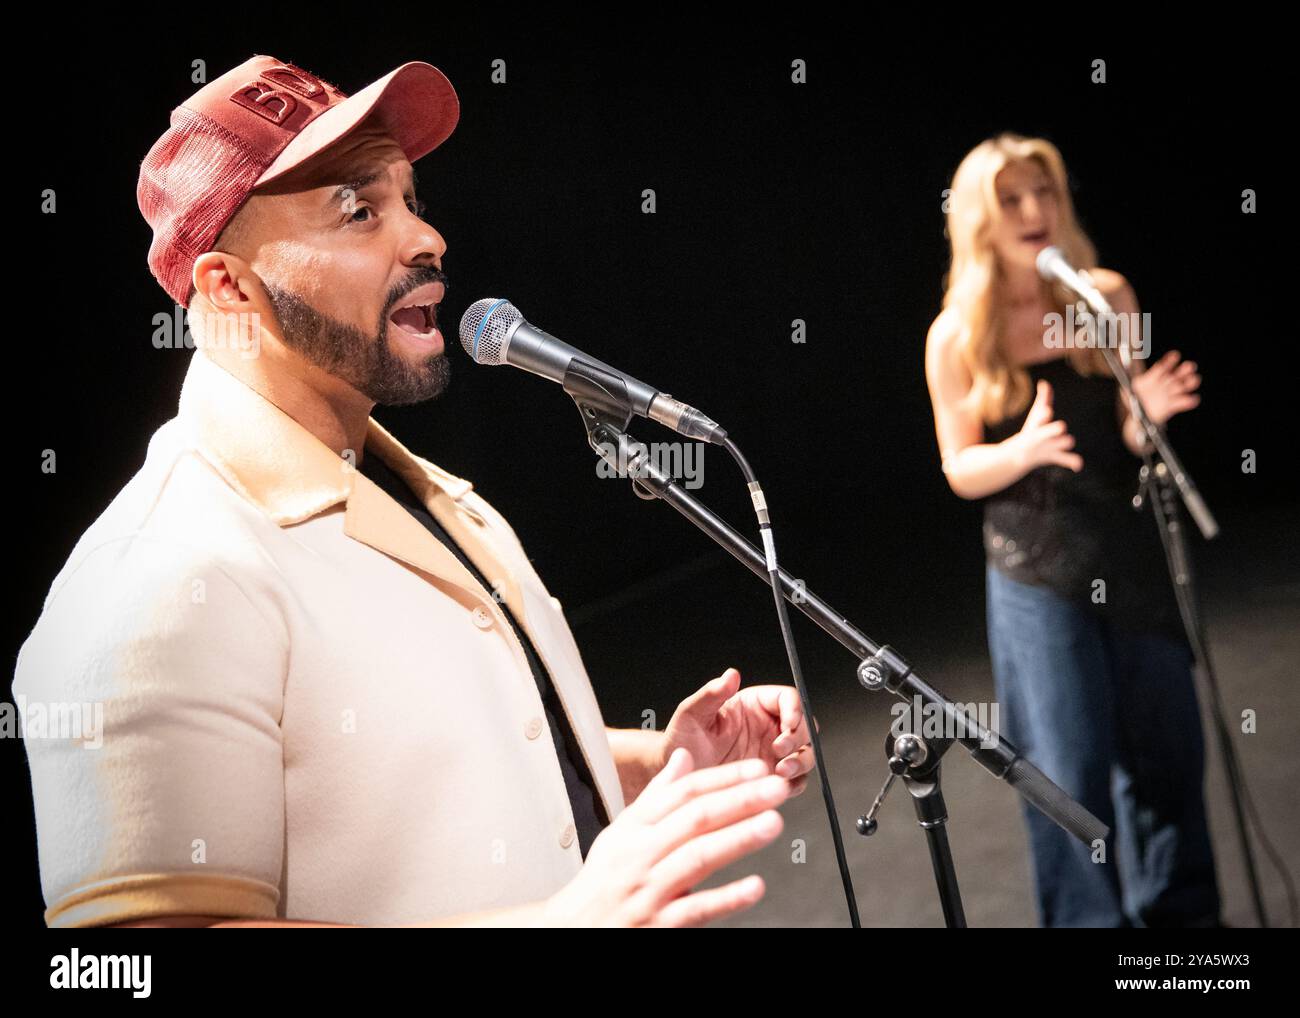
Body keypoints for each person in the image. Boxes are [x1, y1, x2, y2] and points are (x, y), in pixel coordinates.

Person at [12, 55, 817, 928]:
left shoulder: (422, 496)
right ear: (232, 288)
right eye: (358, 209)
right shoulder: (159, 576)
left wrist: (659, 760)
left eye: (411, 202)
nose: (426, 239)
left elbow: (452, 763)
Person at [923, 132, 1220, 927]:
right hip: (1037, 570)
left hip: (1129, 554)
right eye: (1012, 198)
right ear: (980, 220)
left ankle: (1185, 934)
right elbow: (958, 466)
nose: (1033, 211)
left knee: (1168, 754)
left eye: (1045, 193)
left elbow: (1127, 430)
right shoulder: (958, 333)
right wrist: (1016, 451)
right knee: (1064, 773)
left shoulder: (1105, 295)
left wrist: (1145, 420)